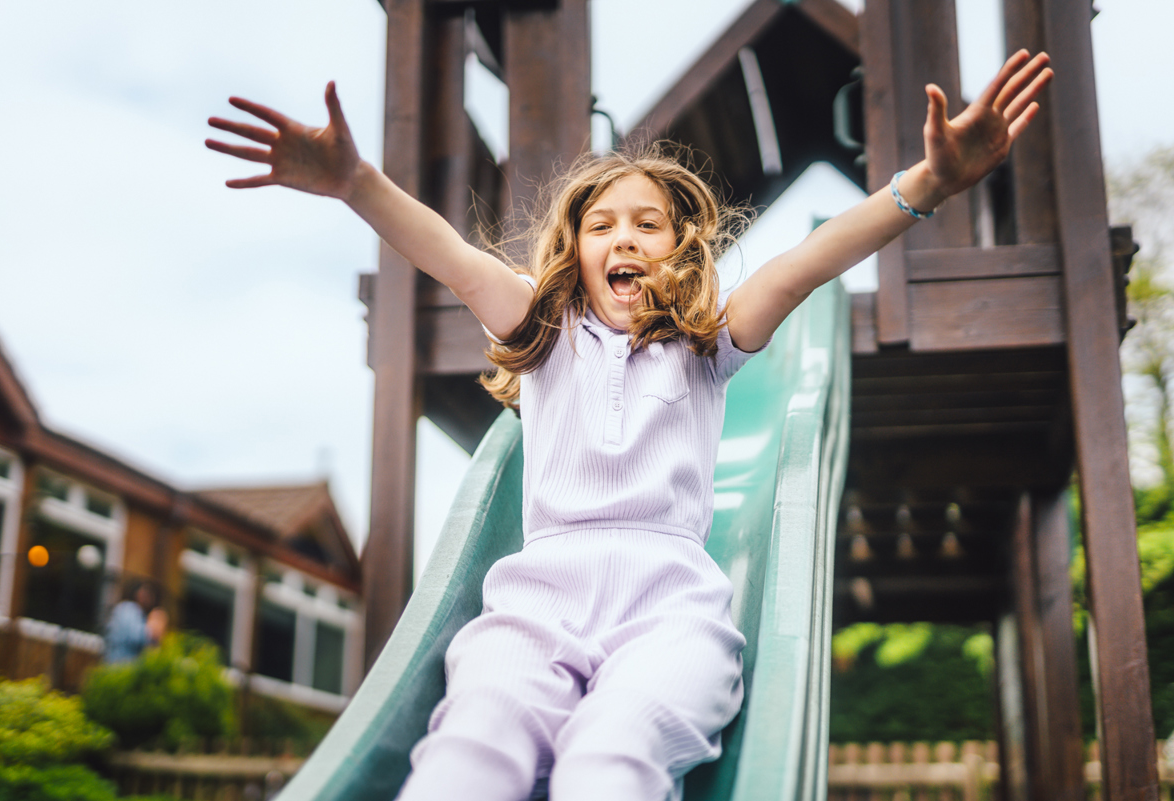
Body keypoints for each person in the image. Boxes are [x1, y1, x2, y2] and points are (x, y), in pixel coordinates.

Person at [206, 49, 1052, 801]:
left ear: (681, 249)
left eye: (649, 225)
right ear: (574, 252)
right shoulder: (542, 338)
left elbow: (800, 270)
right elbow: (453, 259)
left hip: (669, 613)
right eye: (603, 225)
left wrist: (927, 186)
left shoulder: (705, 345)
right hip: (535, 612)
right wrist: (357, 182)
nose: (627, 238)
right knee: (469, 752)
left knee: (608, 761)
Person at [103, 580, 166, 664]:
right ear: (136, 593)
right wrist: (153, 630)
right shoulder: (130, 609)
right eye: (144, 593)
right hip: (121, 664)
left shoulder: (125, 608)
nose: (146, 598)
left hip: (114, 662)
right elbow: (136, 637)